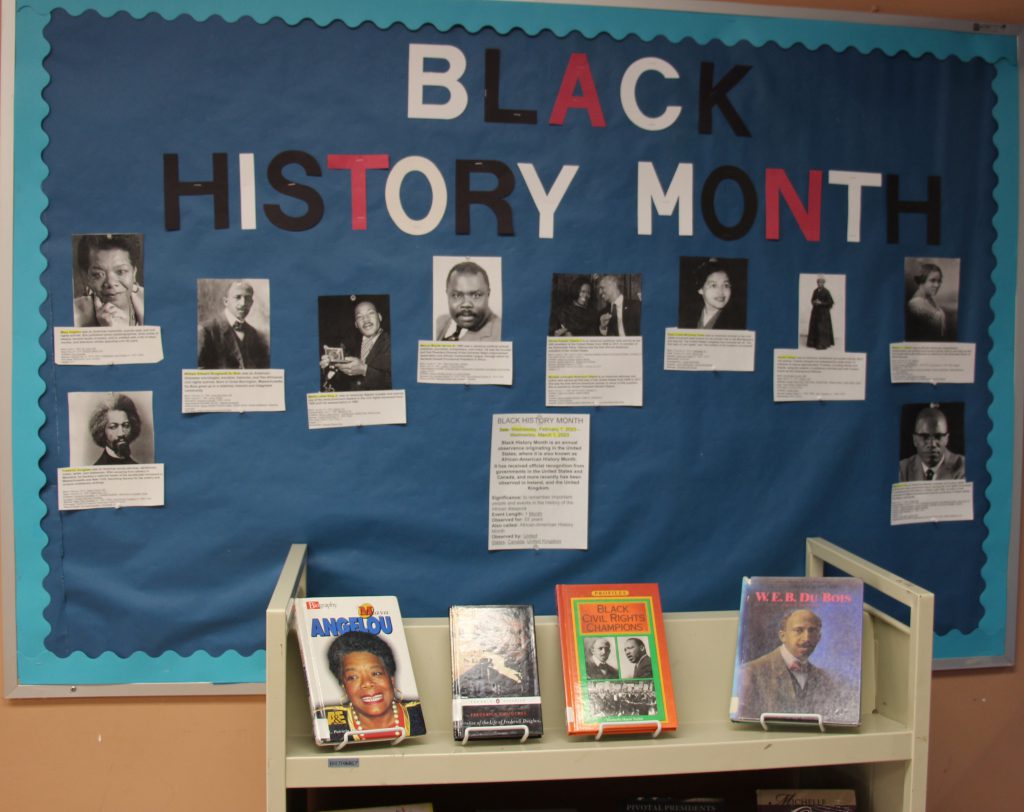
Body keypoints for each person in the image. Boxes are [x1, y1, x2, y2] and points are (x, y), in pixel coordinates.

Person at [735, 608, 846, 720]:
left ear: (819, 637)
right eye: (799, 630)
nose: (806, 638)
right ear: (783, 636)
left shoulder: (825, 679)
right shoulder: (750, 672)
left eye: (812, 631)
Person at [318, 631, 425, 742]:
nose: (367, 683)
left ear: (391, 678)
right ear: (343, 685)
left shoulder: (417, 714)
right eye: (353, 677)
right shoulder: (326, 721)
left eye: (376, 673)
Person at [73, 234, 144, 327]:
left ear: (134, 273)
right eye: (98, 274)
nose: (110, 282)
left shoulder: (154, 302)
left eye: (121, 272)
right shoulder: (73, 316)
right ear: (86, 276)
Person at [320, 301, 392, 392]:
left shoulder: (394, 342)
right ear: (356, 324)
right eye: (359, 316)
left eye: (370, 313)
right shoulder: (349, 345)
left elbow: (397, 380)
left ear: (379, 317)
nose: (366, 319)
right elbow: (340, 381)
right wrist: (329, 367)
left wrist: (364, 370)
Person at [196, 280, 270, 369]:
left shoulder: (254, 334)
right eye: (237, 297)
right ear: (226, 301)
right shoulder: (205, 330)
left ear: (251, 303)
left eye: (247, 298)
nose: (243, 303)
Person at [435, 261, 501, 341]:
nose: (466, 304)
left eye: (476, 295)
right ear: (447, 294)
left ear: (488, 294)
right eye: (456, 295)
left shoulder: (499, 334)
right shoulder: (439, 322)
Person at [899, 405, 965, 481]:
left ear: (947, 439)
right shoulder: (902, 470)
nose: (932, 444)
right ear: (915, 440)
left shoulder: (963, 467)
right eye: (924, 437)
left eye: (938, 436)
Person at [680, 259, 744, 330]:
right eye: (713, 285)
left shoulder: (737, 322)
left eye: (726, 285)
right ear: (700, 289)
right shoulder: (687, 315)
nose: (721, 292)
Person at [87, 393, 143, 465]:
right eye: (113, 427)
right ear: (102, 431)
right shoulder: (97, 468)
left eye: (125, 426)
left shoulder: (137, 467)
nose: (121, 433)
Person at [906, 263, 950, 341]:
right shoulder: (915, 305)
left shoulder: (929, 299)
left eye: (939, 281)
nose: (937, 285)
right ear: (922, 281)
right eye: (932, 280)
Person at [806, 277, 834, 350]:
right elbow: (812, 300)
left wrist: (821, 303)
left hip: (823, 314)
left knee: (821, 328)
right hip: (815, 312)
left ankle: (822, 345)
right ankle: (813, 344)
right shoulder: (815, 291)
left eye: (821, 282)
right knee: (814, 327)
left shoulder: (826, 291)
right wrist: (814, 302)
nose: (819, 284)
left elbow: (830, 302)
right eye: (818, 282)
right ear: (817, 283)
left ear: (823, 283)